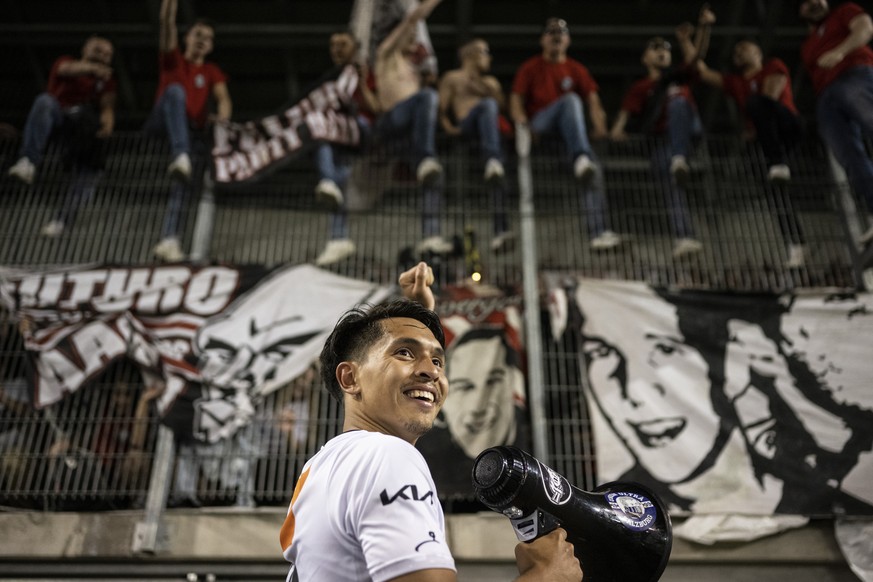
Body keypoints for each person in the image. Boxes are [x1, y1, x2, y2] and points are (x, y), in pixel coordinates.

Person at [280, 262, 583, 581]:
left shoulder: (320, 467)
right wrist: (548, 575)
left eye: (438, 360)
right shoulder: (385, 457)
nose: (433, 371)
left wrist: (415, 316)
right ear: (350, 377)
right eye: (405, 354)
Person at [694, 27, 808, 267]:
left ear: (757, 52)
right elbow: (701, 72)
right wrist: (698, 33)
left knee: (757, 103)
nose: (737, 52)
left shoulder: (772, 66)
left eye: (743, 48)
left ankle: (778, 163)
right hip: (764, 140)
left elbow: (771, 96)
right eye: (735, 50)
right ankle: (796, 244)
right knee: (775, 196)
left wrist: (753, 128)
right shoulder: (735, 82)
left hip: (786, 126)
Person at [509, 18, 620, 251]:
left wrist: (600, 126)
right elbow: (516, 99)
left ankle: (598, 232)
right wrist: (522, 126)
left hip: (566, 137)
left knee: (594, 170)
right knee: (570, 100)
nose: (556, 35)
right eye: (550, 32)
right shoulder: (530, 67)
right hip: (541, 126)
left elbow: (593, 101)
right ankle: (581, 156)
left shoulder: (577, 69)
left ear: (568, 40)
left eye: (561, 32)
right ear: (542, 40)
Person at [145, 0, 232, 262]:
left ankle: (170, 239)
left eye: (208, 38)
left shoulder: (211, 71)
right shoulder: (173, 61)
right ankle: (180, 154)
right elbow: (166, 23)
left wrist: (222, 120)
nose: (203, 41)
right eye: (198, 35)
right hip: (161, 126)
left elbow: (224, 100)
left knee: (185, 182)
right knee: (174, 92)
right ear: (187, 38)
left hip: (189, 133)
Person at [6, 36, 117, 237]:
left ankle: (62, 220)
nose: (103, 56)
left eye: (108, 54)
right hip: (57, 122)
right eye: (98, 50)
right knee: (44, 101)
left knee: (91, 169)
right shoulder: (67, 62)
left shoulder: (106, 82)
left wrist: (107, 124)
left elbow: (107, 106)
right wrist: (92, 69)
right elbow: (65, 69)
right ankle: (28, 161)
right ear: (85, 49)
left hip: (80, 132)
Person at [609, 33, 704, 259]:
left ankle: (679, 159)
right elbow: (623, 117)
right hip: (662, 145)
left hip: (688, 136)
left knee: (679, 101)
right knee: (671, 183)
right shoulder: (641, 87)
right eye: (655, 48)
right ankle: (684, 237)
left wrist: (699, 31)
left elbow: (695, 59)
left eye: (666, 49)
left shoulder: (678, 78)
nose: (662, 51)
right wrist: (617, 130)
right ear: (645, 58)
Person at [374, 0, 455, 256]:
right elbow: (411, 20)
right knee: (427, 97)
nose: (411, 39)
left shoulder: (413, 69)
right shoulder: (386, 53)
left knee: (433, 175)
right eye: (406, 37)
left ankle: (431, 233)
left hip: (408, 135)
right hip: (390, 122)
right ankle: (425, 158)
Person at [798, 0, 873, 246]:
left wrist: (841, 50)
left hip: (854, 75)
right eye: (807, 2)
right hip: (826, 98)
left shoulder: (844, 12)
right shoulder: (808, 46)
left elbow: (865, 28)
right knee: (848, 157)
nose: (814, 3)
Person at [439, 38, 514, 252]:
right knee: (487, 106)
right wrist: (449, 128)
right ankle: (492, 160)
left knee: (499, 182)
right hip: (467, 124)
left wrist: (483, 88)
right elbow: (442, 109)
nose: (488, 57)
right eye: (485, 52)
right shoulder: (452, 78)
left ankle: (500, 231)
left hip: (492, 134)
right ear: (471, 54)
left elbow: (502, 106)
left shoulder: (490, 82)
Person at [314, 31, 381, 266]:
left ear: (355, 47)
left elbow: (375, 107)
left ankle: (329, 181)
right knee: (337, 180)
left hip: (359, 131)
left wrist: (362, 83)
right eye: (333, 44)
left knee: (325, 131)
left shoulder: (364, 73)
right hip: (336, 137)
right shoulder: (329, 79)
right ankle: (337, 236)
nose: (337, 48)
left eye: (342, 43)